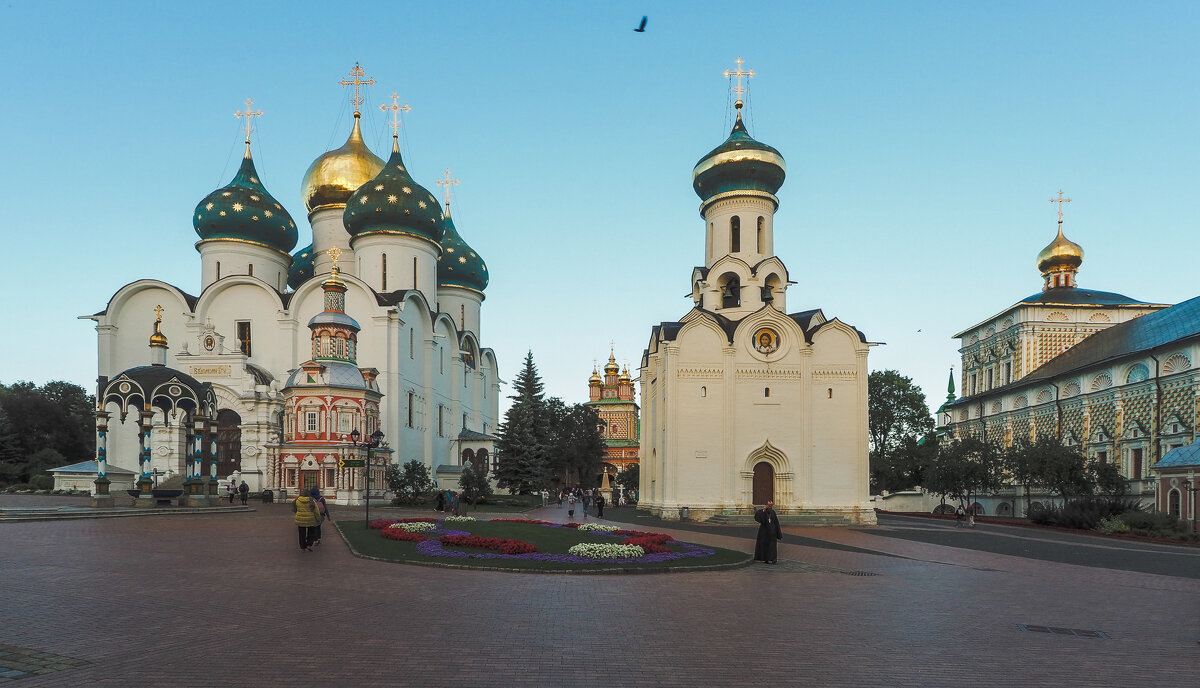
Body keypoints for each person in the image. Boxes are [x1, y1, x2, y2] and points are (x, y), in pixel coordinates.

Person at [753, 500, 782, 564]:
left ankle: (773, 558)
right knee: (765, 545)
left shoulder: (773, 512)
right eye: (769, 505)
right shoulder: (761, 512)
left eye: (771, 505)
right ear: (766, 505)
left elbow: (776, 523)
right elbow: (759, 519)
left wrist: (778, 533)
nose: (770, 507)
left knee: (772, 546)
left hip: (772, 533)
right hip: (764, 532)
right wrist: (763, 511)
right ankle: (766, 558)